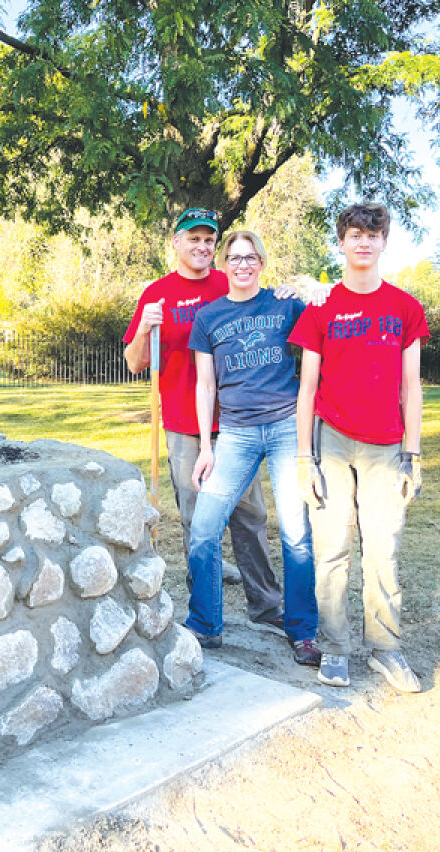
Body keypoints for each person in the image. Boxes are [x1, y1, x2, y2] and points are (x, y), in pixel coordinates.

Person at [124, 208, 294, 641]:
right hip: (184, 423)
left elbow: (272, 316)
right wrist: (145, 328)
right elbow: (134, 363)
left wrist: (293, 292)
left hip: (239, 423)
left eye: (208, 240)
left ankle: (266, 603)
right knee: (197, 517)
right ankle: (205, 608)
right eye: (193, 238)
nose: (201, 247)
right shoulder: (157, 294)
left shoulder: (229, 280)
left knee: (250, 514)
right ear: (176, 243)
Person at [289, 202, 428, 692]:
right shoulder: (322, 309)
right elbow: (306, 389)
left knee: (383, 550)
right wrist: (305, 458)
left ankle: (386, 650)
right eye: (354, 234)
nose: (364, 243)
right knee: (331, 550)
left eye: (373, 235)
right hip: (331, 443)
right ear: (342, 243)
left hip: (386, 448)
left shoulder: (405, 308)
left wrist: (413, 454)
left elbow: (412, 388)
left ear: (384, 241)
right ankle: (335, 647)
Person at [183, 230, 319, 664]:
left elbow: (327, 323)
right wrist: (206, 446)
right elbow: (206, 386)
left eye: (250, 257)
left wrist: (310, 289)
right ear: (224, 265)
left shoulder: (285, 305)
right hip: (236, 435)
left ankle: (302, 631)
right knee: (204, 529)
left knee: (296, 534)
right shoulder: (209, 318)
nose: (242, 265)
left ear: (261, 261)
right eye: (235, 258)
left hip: (285, 429)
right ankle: (205, 625)